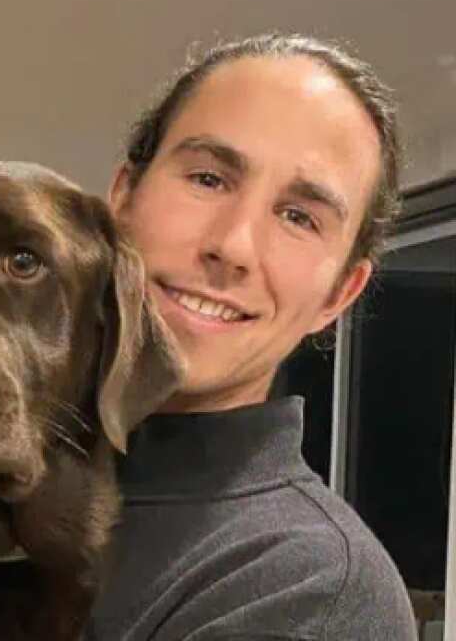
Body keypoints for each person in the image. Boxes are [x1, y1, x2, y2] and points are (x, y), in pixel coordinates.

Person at [87, 34, 417, 640]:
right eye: (209, 178)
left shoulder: (308, 587)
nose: (233, 245)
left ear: (338, 294)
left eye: (299, 217)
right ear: (122, 198)